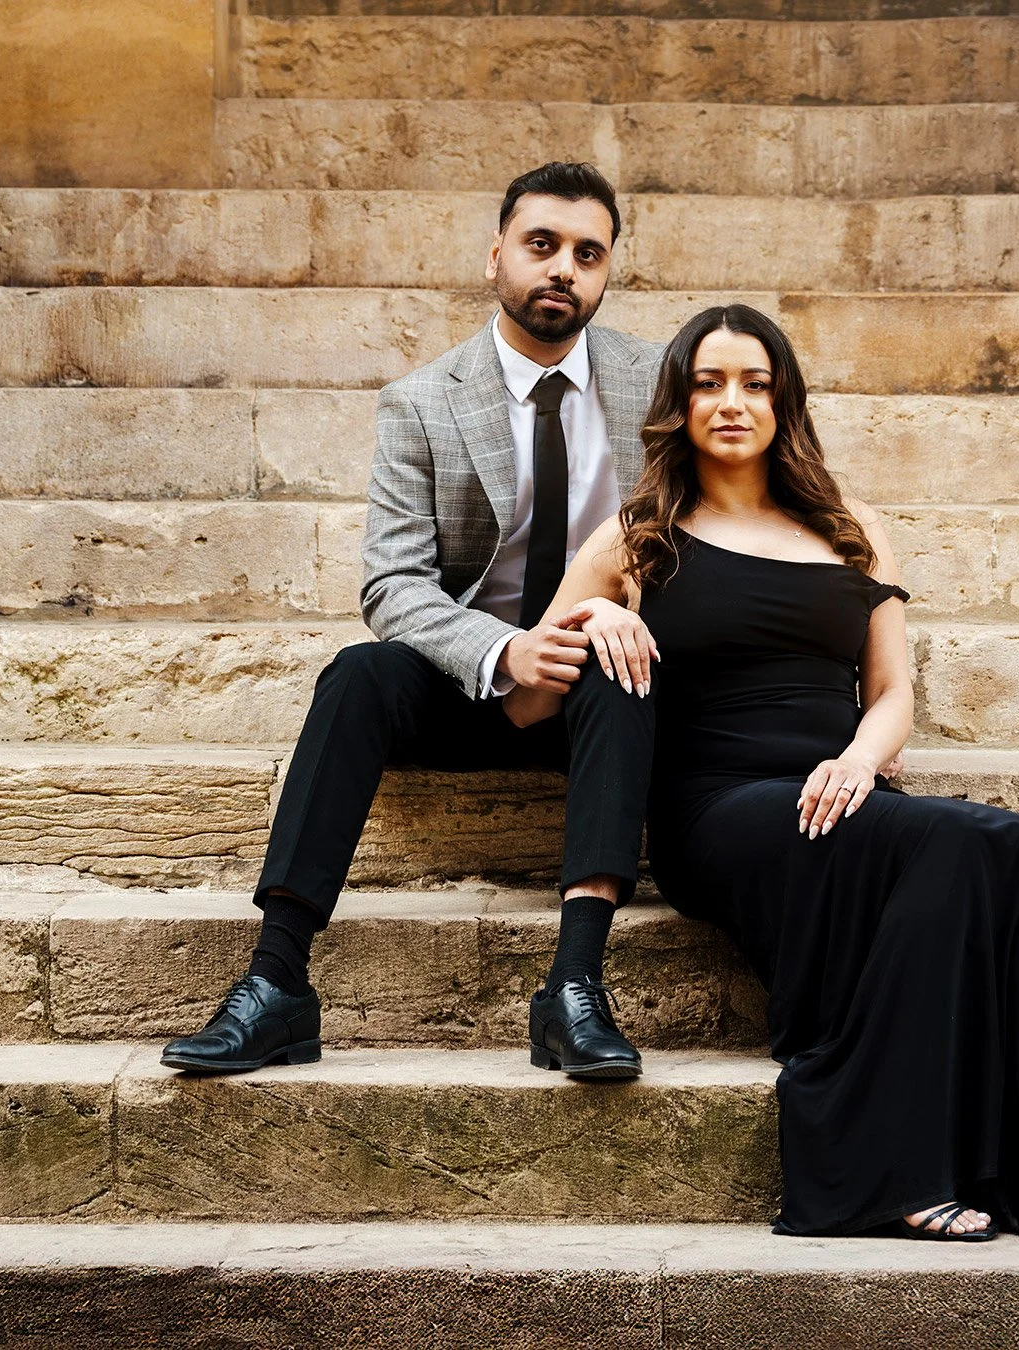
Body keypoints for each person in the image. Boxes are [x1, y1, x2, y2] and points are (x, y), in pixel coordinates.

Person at [504, 304, 1019, 1244]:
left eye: (755, 383)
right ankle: (905, 1171)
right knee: (975, 846)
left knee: (1015, 850)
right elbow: (529, 701)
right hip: (720, 812)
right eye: (708, 383)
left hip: (843, 789)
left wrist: (859, 759)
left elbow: (892, 691)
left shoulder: (851, 529)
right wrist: (590, 620)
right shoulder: (635, 537)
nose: (731, 403)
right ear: (677, 404)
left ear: (785, 402)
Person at [162, 163, 663, 1081]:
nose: (563, 270)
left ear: (605, 274)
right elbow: (394, 585)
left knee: (623, 668)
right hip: (474, 679)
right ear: (495, 258)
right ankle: (277, 981)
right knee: (357, 675)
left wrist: (614, 614)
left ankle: (575, 987)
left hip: (600, 688)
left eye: (587, 255)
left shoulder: (655, 383)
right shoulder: (425, 400)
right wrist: (506, 652)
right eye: (541, 245)